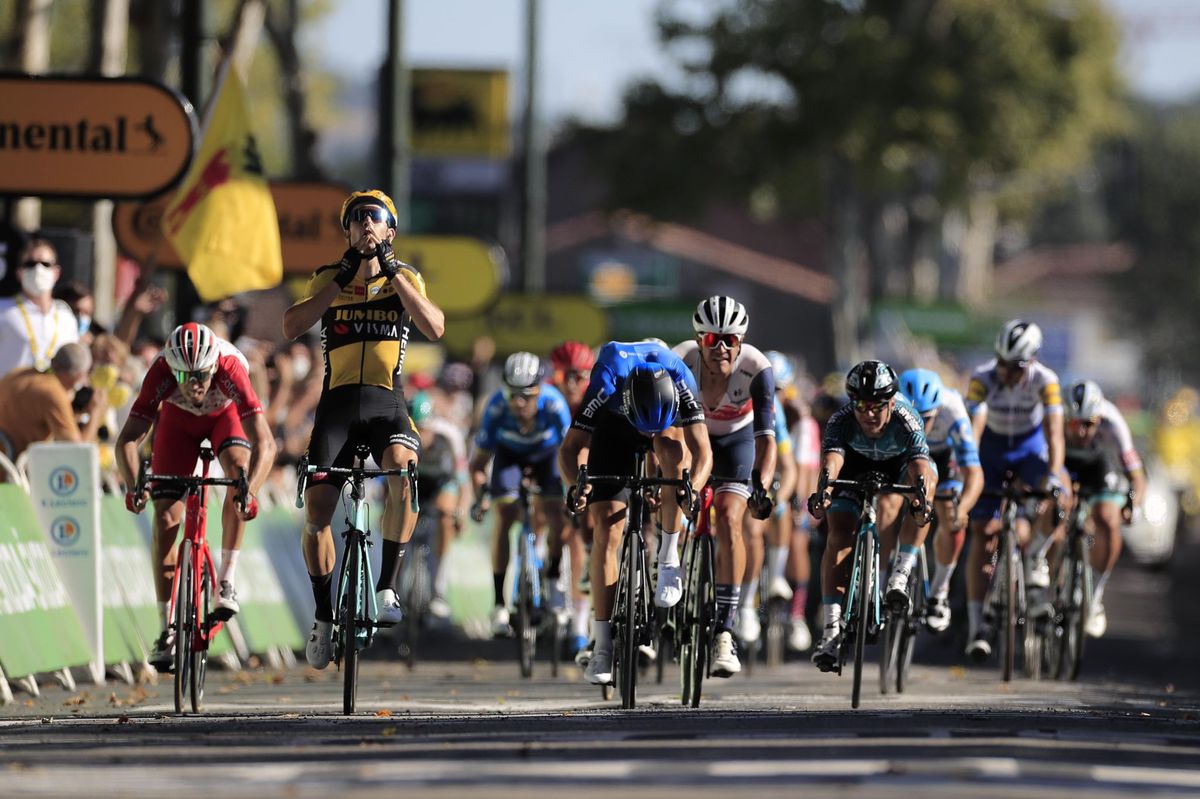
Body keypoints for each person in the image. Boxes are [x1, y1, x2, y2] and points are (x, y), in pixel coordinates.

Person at [282, 189, 445, 670]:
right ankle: (325, 616)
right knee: (318, 512)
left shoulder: (406, 279)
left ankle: (388, 585)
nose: (366, 225)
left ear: (389, 231)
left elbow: (435, 328)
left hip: (385, 404)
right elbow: (292, 326)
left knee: (402, 469)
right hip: (335, 408)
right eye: (356, 220)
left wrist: (394, 274)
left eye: (375, 219)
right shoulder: (327, 278)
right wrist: (342, 280)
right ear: (348, 232)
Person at [116, 323, 277, 670]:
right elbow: (128, 439)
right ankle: (166, 629)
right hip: (178, 425)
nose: (194, 385)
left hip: (225, 419)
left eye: (202, 375)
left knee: (238, 473)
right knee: (164, 518)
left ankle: (227, 581)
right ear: (171, 368)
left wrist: (252, 491)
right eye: (184, 376)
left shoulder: (231, 367)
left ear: (214, 365)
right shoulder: (159, 370)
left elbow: (266, 443)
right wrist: (134, 485)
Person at [559, 340, 712, 686]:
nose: (648, 435)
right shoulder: (607, 378)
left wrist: (692, 491)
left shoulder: (681, 378)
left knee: (676, 459)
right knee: (608, 529)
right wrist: (576, 486)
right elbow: (571, 449)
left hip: (664, 419)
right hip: (615, 428)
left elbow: (703, 451)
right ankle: (601, 643)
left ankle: (669, 558)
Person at [671, 296, 776, 678]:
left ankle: (725, 631)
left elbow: (767, 439)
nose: (721, 348)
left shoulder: (757, 367)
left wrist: (763, 485)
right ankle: (665, 574)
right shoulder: (681, 360)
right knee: (675, 501)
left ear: (742, 340)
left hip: (736, 442)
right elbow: (667, 430)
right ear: (699, 340)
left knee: (731, 518)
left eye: (731, 340)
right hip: (689, 436)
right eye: (713, 339)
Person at [807, 360, 936, 672]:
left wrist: (921, 501)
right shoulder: (840, 420)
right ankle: (832, 628)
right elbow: (832, 463)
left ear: (891, 402)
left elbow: (920, 466)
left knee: (923, 491)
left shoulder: (907, 418)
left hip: (894, 468)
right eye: (861, 406)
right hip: (852, 468)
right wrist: (823, 492)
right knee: (839, 531)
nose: (868, 414)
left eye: (877, 407)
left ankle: (900, 572)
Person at [964, 319, 1067, 661]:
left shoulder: (1046, 381)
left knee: (1058, 492)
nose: (1006, 372)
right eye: (1002, 363)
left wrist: (1052, 475)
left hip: (1030, 449)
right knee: (983, 531)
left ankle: (1036, 556)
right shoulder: (982, 378)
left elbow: (1055, 434)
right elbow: (973, 429)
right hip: (991, 450)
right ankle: (977, 626)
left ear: (1033, 361)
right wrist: (969, 466)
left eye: (1015, 367)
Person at [469, 352, 572, 636]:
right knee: (504, 517)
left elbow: (571, 454)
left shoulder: (555, 405)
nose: (519, 402)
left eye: (526, 395)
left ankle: (552, 579)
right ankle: (500, 604)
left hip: (548, 455)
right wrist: (481, 496)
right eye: (512, 395)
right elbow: (477, 465)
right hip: (509, 456)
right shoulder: (495, 408)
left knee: (555, 513)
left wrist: (574, 489)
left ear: (540, 390)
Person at [897, 368, 984, 633]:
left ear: (938, 409)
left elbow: (974, 474)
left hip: (944, 457)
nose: (920, 425)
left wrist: (964, 508)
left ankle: (939, 592)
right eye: (914, 417)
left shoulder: (953, 410)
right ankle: (888, 573)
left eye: (926, 418)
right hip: (908, 454)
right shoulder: (893, 404)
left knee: (951, 514)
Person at [1062, 379, 1145, 638]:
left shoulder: (1113, 422)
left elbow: (1137, 476)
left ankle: (1094, 596)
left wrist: (1133, 503)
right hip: (1063, 461)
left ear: (1099, 418)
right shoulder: (1052, 416)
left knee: (1107, 519)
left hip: (1099, 466)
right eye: (1075, 424)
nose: (1082, 431)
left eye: (1089, 424)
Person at [738, 350, 797, 651]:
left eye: (776, 390)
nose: (770, 395)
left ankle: (771, 579)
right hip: (733, 471)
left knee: (776, 510)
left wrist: (777, 497)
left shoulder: (778, 414)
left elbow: (788, 468)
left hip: (759, 478)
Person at [548, 340, 597, 654]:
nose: (570, 383)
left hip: (580, 464)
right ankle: (548, 570)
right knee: (549, 517)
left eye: (578, 376)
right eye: (564, 375)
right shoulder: (545, 397)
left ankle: (579, 621)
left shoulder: (594, 398)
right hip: (548, 463)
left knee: (582, 530)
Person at [408, 389, 467, 619]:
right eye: (416, 429)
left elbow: (462, 482)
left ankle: (438, 588)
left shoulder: (450, 436)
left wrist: (459, 513)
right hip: (413, 484)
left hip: (442, 484)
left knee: (446, 513)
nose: (421, 436)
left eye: (424, 429)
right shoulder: (402, 435)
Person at [0, 238, 79, 377]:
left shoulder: (66, 319)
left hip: (52, 396)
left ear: (56, 272)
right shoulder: (3, 310)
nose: (38, 269)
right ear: (19, 272)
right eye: (30, 264)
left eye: (45, 264)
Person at [0, 342, 91, 461]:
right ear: (78, 376)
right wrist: (97, 411)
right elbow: (79, 452)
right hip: (11, 472)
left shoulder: (19, 372)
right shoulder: (53, 393)